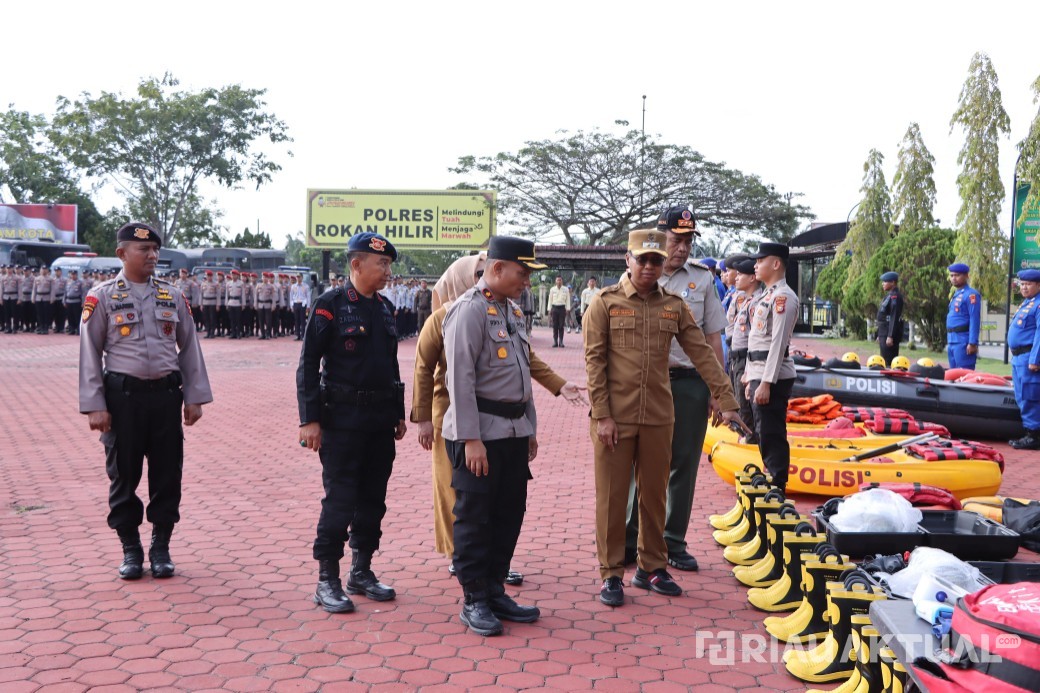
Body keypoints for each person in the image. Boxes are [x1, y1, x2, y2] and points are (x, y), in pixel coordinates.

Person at [584, 229, 745, 608]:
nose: (650, 267)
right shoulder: (603, 304)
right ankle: (611, 573)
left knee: (654, 495)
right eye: (643, 259)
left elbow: (703, 353)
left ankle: (651, 566)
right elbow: (594, 363)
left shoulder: (673, 306)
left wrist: (726, 399)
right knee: (612, 497)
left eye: (656, 261)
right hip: (616, 419)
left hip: (659, 415)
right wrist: (602, 416)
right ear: (628, 259)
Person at [412, 254, 586, 585]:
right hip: (455, 411)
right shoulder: (454, 313)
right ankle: (465, 569)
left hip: (503, 422)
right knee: (463, 497)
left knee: (504, 506)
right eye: (477, 272)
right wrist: (428, 420)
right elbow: (427, 369)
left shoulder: (510, 312)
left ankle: (493, 578)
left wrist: (554, 391)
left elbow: (524, 364)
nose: (526, 283)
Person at [79, 221, 212, 580]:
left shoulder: (172, 295)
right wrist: (95, 404)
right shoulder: (102, 296)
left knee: (168, 473)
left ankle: (161, 546)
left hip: (167, 397)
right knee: (124, 474)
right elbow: (89, 353)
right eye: (144, 250)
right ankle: (131, 548)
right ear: (122, 253)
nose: (152, 255)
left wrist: (195, 397)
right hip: (123, 400)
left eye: (155, 249)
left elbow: (190, 348)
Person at [441, 236, 549, 636]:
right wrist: (470, 439)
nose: (526, 281)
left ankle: (495, 588)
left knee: (509, 513)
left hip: (513, 432)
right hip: (480, 435)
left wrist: (530, 428)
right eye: (522, 273)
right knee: (475, 517)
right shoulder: (468, 311)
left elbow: (521, 375)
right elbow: (460, 379)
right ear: (498, 268)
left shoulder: (511, 310)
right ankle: (474, 599)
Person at [297, 232, 406, 615]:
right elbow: (309, 364)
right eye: (382, 264)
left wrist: (397, 412)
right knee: (340, 500)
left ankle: (362, 571)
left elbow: (390, 365)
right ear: (357, 265)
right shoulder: (330, 305)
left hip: (379, 422)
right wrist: (309, 420)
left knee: (373, 499)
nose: (387, 271)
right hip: (341, 422)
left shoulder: (385, 308)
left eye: (389, 265)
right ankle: (327, 578)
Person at [622, 207, 727, 574]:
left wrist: (717, 388)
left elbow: (713, 337)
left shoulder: (702, 279)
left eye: (688, 241)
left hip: (689, 384)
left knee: (682, 463)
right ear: (660, 236)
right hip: (644, 382)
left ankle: (672, 542)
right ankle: (629, 539)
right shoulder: (638, 274)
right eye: (676, 240)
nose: (682, 248)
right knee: (639, 461)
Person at [743, 242, 799, 492]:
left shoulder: (783, 297)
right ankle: (772, 476)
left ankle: (778, 484)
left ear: (776, 264)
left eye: (760, 260)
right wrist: (748, 376)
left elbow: (778, 343)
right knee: (762, 430)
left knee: (772, 432)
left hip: (773, 376)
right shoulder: (766, 295)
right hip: (759, 371)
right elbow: (754, 340)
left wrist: (766, 382)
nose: (755, 264)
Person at [725, 255, 761, 437]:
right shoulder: (745, 300)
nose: (736, 277)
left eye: (741, 275)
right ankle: (744, 437)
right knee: (739, 401)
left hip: (745, 358)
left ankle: (749, 439)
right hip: (736, 357)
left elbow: (755, 337)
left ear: (752, 278)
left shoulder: (756, 302)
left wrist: (748, 369)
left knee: (746, 407)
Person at [1008, 270, 1040, 450]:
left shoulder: (1038, 305)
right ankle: (1030, 433)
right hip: (1019, 357)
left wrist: (1035, 359)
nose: (1024, 287)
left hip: (1029, 358)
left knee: (1030, 396)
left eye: (1028, 284)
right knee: (1021, 396)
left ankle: (1034, 435)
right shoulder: (1027, 303)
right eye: (1022, 283)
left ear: (1038, 285)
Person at [946, 263, 982, 370]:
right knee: (953, 375)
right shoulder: (957, 294)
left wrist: (972, 343)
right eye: (952, 275)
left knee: (964, 375)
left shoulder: (971, 295)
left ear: (966, 276)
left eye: (957, 275)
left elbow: (974, 319)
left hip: (963, 341)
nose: (954, 278)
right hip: (952, 340)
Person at [876, 271, 904, 365]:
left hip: (888, 333)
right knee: (883, 359)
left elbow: (894, 317)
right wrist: (879, 334)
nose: (883, 283)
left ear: (892, 282)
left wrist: (890, 336)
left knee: (889, 361)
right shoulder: (889, 296)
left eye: (885, 281)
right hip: (884, 332)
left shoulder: (895, 297)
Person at [547, 276, 570, 347]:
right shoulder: (552, 289)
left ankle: (561, 341)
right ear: (555, 281)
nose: (559, 281)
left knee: (561, 326)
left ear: (562, 281)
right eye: (558, 280)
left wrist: (568, 309)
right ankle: (555, 341)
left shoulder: (566, 289)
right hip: (554, 308)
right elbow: (550, 300)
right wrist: (549, 309)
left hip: (562, 308)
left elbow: (568, 299)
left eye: (560, 280)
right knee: (555, 325)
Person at [32, 265, 54, 334]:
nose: (44, 271)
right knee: (39, 313)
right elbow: (34, 289)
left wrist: (52, 298)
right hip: (38, 297)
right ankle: (41, 326)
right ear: (40, 270)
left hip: (46, 297)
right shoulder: (37, 278)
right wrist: (33, 298)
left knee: (46, 313)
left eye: (45, 269)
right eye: (42, 269)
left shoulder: (50, 279)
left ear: (47, 271)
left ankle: (46, 327)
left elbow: (52, 290)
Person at [64, 269, 84, 335]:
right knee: (70, 316)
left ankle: (78, 329)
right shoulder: (68, 282)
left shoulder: (80, 282)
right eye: (72, 274)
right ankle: (71, 329)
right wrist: (64, 301)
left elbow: (83, 293)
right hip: (69, 301)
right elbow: (65, 292)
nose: (73, 276)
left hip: (77, 301)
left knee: (77, 316)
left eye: (74, 274)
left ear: (76, 275)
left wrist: (83, 302)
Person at [255, 273, 276, 339]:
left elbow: (273, 296)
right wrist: (255, 304)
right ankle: (262, 334)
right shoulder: (258, 286)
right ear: (262, 278)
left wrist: (273, 305)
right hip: (260, 305)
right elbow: (256, 296)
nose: (265, 279)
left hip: (268, 305)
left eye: (266, 277)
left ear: (268, 279)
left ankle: (268, 333)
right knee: (261, 320)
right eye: (264, 277)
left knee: (268, 321)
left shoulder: (271, 286)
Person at [290, 274, 310, 341]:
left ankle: (303, 335)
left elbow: (308, 296)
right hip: (295, 303)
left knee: (302, 320)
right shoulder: (293, 286)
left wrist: (308, 306)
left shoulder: (306, 286)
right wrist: (291, 305)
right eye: (297, 277)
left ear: (302, 277)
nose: (298, 278)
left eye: (299, 277)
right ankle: (297, 335)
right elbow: (291, 297)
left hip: (303, 304)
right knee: (296, 320)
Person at [2, 265, 19, 333]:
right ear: (6, 270)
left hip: (14, 296)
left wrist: (19, 298)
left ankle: (15, 327)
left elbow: (19, 289)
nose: (9, 270)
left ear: (13, 269)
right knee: (6, 313)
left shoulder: (16, 278)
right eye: (8, 269)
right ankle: (8, 327)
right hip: (5, 296)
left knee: (14, 313)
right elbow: (1, 289)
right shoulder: (3, 278)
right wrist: (0, 298)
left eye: (10, 269)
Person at [52, 267, 67, 334]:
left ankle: (61, 327)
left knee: (62, 314)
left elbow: (66, 290)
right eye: (55, 271)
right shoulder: (52, 279)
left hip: (61, 297)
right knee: (55, 313)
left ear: (60, 272)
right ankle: (57, 327)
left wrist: (64, 299)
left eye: (58, 271)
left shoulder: (64, 280)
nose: (56, 272)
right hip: (55, 298)